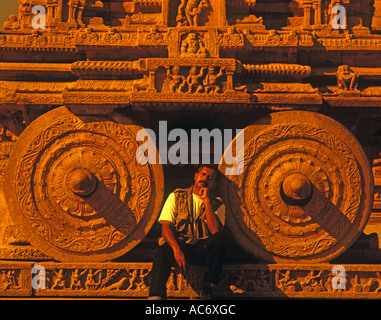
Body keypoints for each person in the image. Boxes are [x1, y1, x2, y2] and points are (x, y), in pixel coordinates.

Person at [148, 164, 226, 300]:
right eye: (202, 175)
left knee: (218, 241)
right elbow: (165, 227)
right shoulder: (176, 196)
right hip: (182, 248)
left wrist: (206, 200)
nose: (204, 179)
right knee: (163, 250)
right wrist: (176, 249)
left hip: (203, 251)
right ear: (196, 176)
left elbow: (215, 231)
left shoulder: (218, 203)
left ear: (214, 184)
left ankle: (209, 287)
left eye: (210, 178)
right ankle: (156, 295)